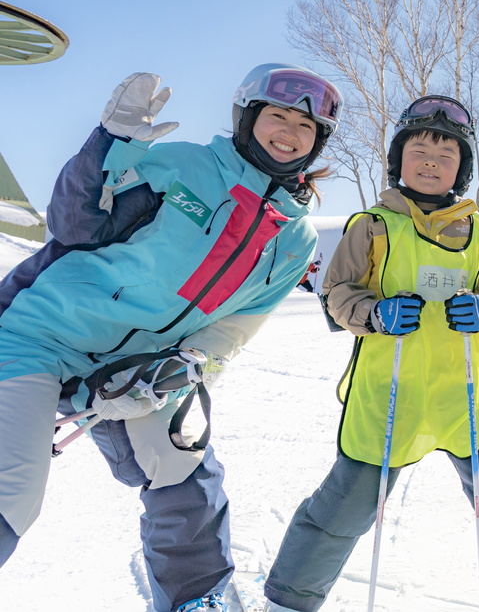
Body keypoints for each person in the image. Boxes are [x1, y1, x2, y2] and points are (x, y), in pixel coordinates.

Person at [0, 64, 343, 612]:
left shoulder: (295, 238)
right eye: (276, 114)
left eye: (305, 127)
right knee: (13, 489)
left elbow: (236, 324)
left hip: (139, 364)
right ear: (247, 117)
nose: (288, 131)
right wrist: (110, 143)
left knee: (184, 464)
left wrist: (185, 365)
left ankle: (196, 599)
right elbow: (75, 223)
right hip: (41, 334)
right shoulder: (186, 166)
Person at [263, 94, 479, 612]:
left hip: (463, 391)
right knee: (346, 505)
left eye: (446, 155)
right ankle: (289, 601)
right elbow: (337, 295)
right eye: (419, 149)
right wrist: (374, 313)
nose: (431, 161)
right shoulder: (372, 226)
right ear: (398, 160)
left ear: (461, 170)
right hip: (387, 394)